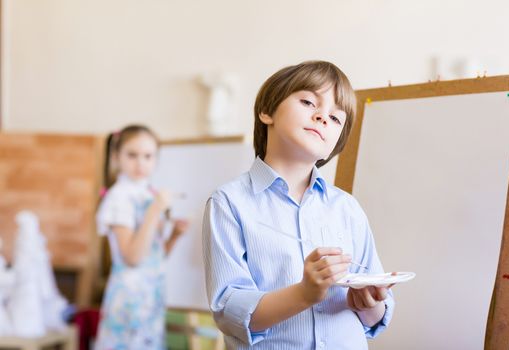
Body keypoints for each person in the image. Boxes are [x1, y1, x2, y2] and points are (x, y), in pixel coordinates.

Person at [202, 61, 395, 349]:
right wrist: (305, 293)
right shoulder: (229, 203)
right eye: (308, 102)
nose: (322, 117)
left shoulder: (348, 208)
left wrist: (370, 302)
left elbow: (373, 318)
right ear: (266, 111)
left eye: (336, 118)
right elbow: (229, 312)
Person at [94, 125, 188, 350]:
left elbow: (154, 255)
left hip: (150, 296)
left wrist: (174, 235)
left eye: (148, 156)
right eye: (132, 155)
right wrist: (154, 211)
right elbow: (132, 257)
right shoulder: (120, 196)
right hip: (130, 298)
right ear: (116, 157)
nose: (140, 163)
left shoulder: (148, 193)